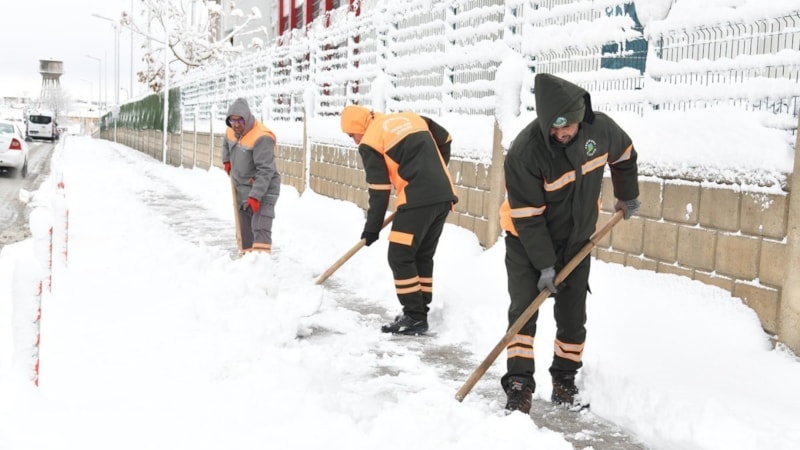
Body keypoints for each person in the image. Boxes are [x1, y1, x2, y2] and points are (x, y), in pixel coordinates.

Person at [499, 73, 640, 413]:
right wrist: (545, 264)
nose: (562, 136)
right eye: (555, 130)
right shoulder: (525, 153)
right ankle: (519, 384)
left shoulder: (601, 130)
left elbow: (625, 155)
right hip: (526, 241)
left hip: (577, 242)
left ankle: (565, 379)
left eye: (569, 129)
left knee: (573, 316)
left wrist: (627, 196)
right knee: (523, 312)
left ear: (581, 118)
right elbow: (529, 217)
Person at [340, 105, 458, 335]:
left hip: (417, 199)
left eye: (352, 135)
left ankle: (414, 316)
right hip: (443, 195)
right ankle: (419, 311)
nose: (354, 141)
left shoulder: (370, 141)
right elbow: (446, 138)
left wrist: (372, 228)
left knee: (399, 254)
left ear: (357, 128)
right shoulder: (411, 117)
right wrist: (435, 169)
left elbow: (379, 188)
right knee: (421, 254)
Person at [222, 98, 281, 254]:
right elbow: (225, 143)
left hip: (265, 188)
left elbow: (266, 171)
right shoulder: (231, 131)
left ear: (246, 118)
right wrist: (226, 160)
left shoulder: (262, 137)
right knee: (244, 232)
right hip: (242, 188)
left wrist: (255, 196)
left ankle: (261, 265)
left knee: (260, 227)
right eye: (232, 121)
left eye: (239, 120)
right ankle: (247, 265)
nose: (235, 124)